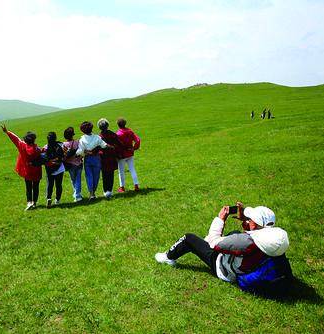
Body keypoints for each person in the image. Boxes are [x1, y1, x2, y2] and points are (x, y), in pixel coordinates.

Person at [155, 203, 292, 294]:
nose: (247, 220)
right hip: (249, 265)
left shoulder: (245, 242)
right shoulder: (275, 239)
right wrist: (247, 225)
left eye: (250, 220)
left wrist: (220, 219)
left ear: (254, 225)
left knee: (189, 238)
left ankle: (168, 258)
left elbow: (212, 244)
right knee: (233, 233)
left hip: (223, 269)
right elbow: (252, 234)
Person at [1, 123, 42, 211]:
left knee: (28, 187)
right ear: (34, 140)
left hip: (26, 171)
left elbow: (15, 139)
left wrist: (7, 132)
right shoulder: (37, 149)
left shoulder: (22, 146)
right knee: (35, 186)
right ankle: (34, 203)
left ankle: (29, 202)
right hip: (36, 171)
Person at [76, 121, 108, 200]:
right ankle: (93, 192)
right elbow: (104, 145)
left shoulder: (82, 139)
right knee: (96, 176)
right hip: (96, 158)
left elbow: (80, 151)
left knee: (89, 176)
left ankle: (91, 193)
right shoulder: (97, 137)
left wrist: (78, 154)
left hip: (87, 159)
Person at [98, 118, 122, 198]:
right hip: (111, 156)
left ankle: (106, 192)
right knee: (111, 174)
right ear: (107, 126)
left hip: (103, 157)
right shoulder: (112, 134)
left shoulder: (99, 136)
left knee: (104, 175)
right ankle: (110, 191)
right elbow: (119, 144)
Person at [116, 117, 141, 192]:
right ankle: (136, 185)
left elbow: (116, 145)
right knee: (132, 169)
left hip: (122, 155)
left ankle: (122, 187)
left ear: (118, 125)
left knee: (121, 171)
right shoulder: (130, 131)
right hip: (130, 153)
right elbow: (138, 140)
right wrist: (134, 148)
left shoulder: (118, 134)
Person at [42, 132, 65, 208]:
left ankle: (49, 198)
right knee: (59, 185)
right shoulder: (60, 145)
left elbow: (43, 158)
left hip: (49, 169)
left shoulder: (45, 147)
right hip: (59, 169)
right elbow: (63, 156)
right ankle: (57, 200)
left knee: (50, 185)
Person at [62, 127, 83, 202]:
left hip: (70, 165)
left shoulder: (64, 145)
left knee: (73, 180)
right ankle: (77, 194)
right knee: (78, 179)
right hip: (79, 163)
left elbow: (63, 156)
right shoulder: (77, 142)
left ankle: (77, 195)